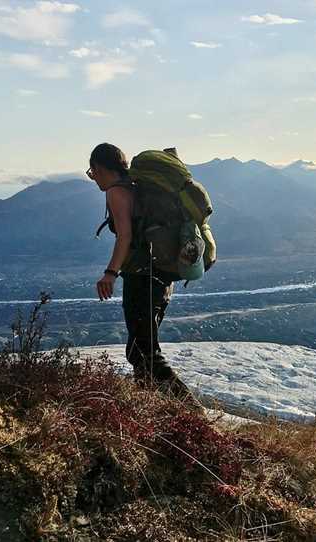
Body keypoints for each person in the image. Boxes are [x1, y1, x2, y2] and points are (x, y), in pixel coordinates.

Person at [87, 142, 203, 412]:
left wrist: (110, 273)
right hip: (162, 277)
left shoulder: (117, 192)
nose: (94, 180)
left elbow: (125, 236)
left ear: (101, 169)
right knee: (138, 351)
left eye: (93, 173)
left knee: (146, 353)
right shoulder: (137, 187)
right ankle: (150, 411)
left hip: (141, 278)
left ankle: (194, 412)